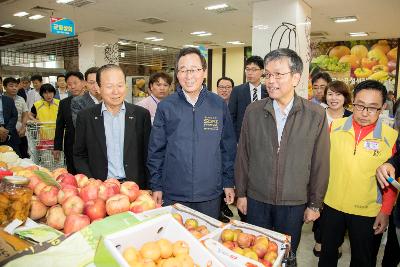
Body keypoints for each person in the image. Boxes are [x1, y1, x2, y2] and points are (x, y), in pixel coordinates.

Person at [235, 48, 330, 258]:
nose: (271, 80)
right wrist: (241, 193)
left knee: (286, 255)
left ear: (296, 77)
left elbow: (319, 163)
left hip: (293, 203)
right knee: (255, 255)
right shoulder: (254, 111)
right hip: (257, 200)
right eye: (268, 74)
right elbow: (243, 155)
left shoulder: (315, 114)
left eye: (278, 74)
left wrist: (315, 203)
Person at [148, 47, 236, 219]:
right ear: (177, 75)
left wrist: (228, 181)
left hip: (210, 193)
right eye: (183, 70)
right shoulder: (166, 106)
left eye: (194, 69)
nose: (189, 76)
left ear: (204, 72)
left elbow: (228, 148)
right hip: (174, 192)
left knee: (207, 241)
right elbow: (156, 150)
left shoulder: (218, 105)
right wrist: (156, 185)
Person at [319, 80, 398, 267]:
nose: (364, 113)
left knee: (363, 260)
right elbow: (320, 165)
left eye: (372, 108)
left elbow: (392, 180)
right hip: (332, 205)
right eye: (359, 105)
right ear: (352, 101)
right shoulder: (334, 128)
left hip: (367, 211)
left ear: (383, 108)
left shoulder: (390, 137)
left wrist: (385, 212)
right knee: (327, 255)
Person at [74, 64, 151, 187]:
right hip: (100, 188)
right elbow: (79, 155)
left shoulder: (141, 115)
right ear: (98, 88)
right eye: (109, 86)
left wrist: (151, 186)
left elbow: (148, 154)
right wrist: (90, 182)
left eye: (120, 85)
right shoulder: (86, 117)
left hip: (135, 187)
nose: (116, 91)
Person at [312, 80, 352, 257]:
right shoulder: (316, 114)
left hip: (342, 171)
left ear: (345, 97)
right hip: (318, 168)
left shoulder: (351, 117)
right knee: (317, 204)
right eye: (330, 94)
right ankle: (320, 239)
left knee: (338, 209)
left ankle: (336, 241)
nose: (334, 98)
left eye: (338, 94)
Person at [229, 56, 267, 142]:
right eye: (247, 69)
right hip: (242, 138)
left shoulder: (268, 91)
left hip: (263, 138)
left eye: (254, 70)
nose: (250, 73)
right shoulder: (237, 91)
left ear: (262, 71)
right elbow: (231, 117)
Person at [53, 71, 85, 175]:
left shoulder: (91, 101)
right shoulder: (64, 103)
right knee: (72, 173)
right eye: (70, 84)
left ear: (83, 82)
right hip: (70, 145)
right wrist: (57, 147)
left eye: (75, 83)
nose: (73, 87)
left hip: (89, 145)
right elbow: (60, 125)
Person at [3, 77, 29, 158]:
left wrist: (23, 127)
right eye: (11, 86)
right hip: (5, 133)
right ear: (4, 87)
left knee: (22, 155)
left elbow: (25, 114)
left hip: (20, 132)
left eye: (16, 86)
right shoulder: (2, 99)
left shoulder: (21, 99)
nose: (14, 88)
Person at [0, 78, 19, 153]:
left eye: (0, 83)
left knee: (15, 159)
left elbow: (14, 116)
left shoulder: (8, 99)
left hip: (10, 133)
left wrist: (7, 130)